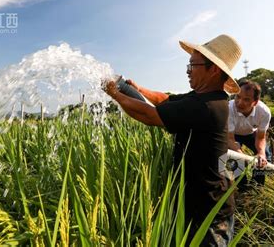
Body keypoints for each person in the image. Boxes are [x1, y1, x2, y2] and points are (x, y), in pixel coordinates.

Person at [102, 34, 242, 245]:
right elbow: (167, 100)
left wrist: (115, 94)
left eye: (192, 65)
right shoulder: (205, 97)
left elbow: (149, 115)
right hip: (199, 202)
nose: (188, 71)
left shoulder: (205, 106)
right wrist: (138, 89)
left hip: (210, 212)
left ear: (213, 69)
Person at [227, 80, 271, 188]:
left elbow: (260, 137)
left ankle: (257, 187)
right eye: (238, 97)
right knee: (233, 159)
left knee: (265, 156)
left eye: (246, 99)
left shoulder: (264, 112)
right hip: (232, 136)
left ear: (255, 102)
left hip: (251, 133)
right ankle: (242, 187)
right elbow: (229, 139)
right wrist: (240, 154)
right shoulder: (228, 109)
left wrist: (260, 153)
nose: (240, 102)